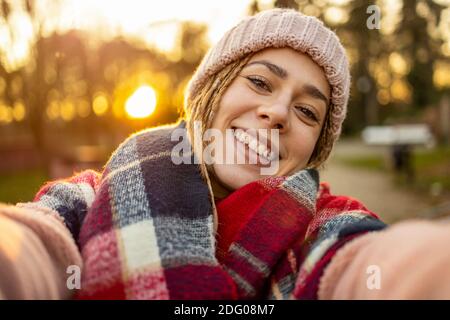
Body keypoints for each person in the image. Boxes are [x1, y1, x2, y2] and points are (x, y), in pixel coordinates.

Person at [0, 8, 449, 300]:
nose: (276, 112)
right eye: (259, 82)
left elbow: (365, 263)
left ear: (317, 146)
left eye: (307, 111)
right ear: (213, 89)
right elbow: (33, 243)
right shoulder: (90, 200)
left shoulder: (322, 227)